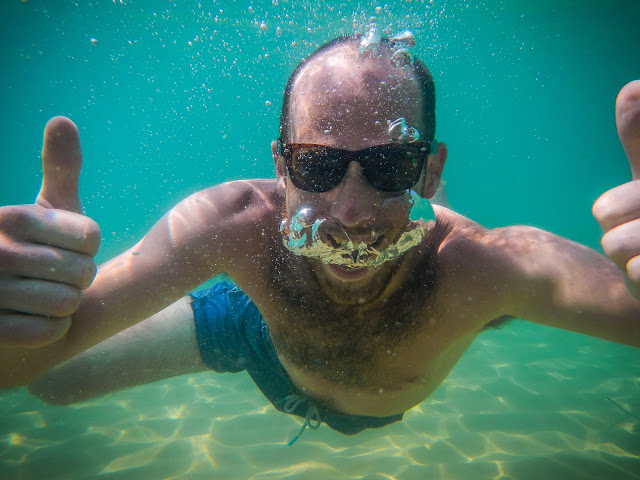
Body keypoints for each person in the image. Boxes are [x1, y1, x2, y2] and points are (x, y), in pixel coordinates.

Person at [1, 35, 639, 443]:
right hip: (255, 333)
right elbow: (15, 369)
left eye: (390, 166)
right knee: (55, 381)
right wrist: (21, 311)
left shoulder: (483, 266)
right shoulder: (230, 224)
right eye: (317, 165)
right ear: (281, 167)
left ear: (430, 168)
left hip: (418, 284)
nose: (351, 213)